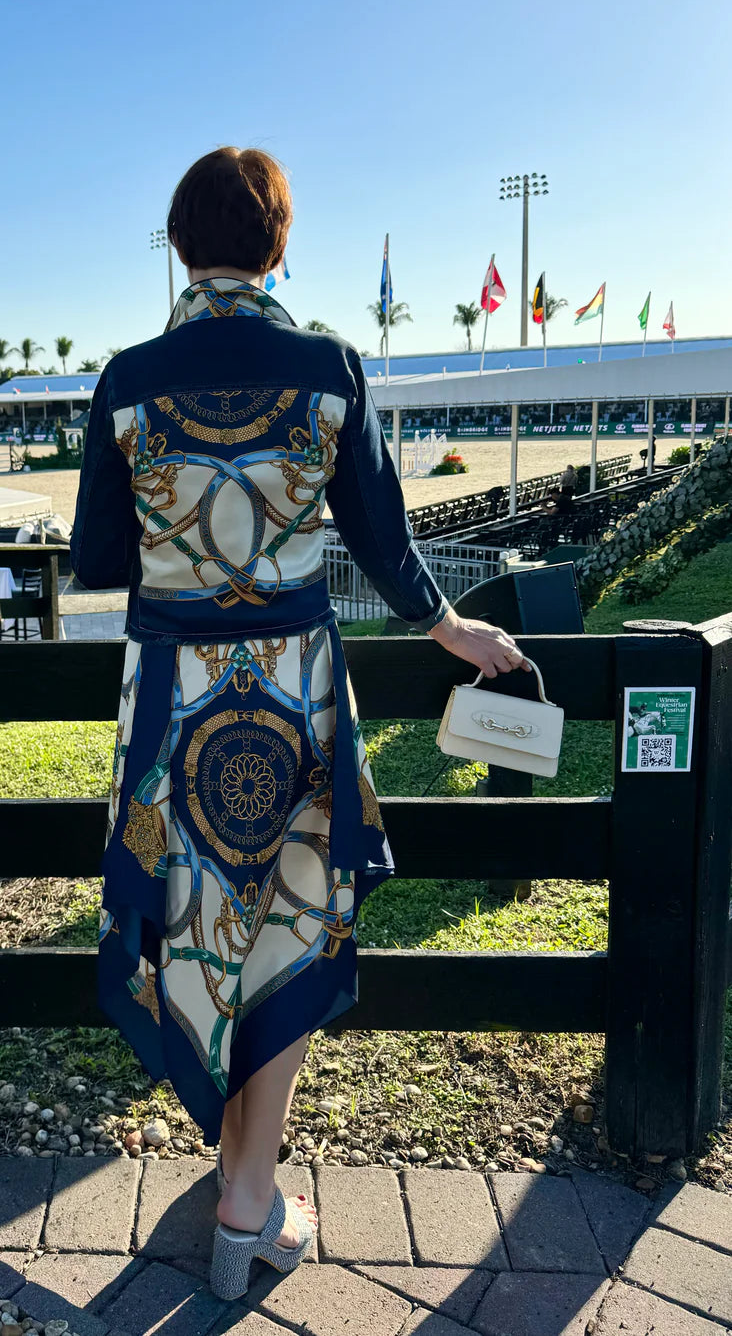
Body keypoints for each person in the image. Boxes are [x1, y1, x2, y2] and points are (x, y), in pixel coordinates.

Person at [69, 147, 530, 1300]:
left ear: (181, 244)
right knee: (287, 916)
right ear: (277, 243)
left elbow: (94, 561)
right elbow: (382, 539)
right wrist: (451, 632)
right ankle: (245, 1193)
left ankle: (237, 1179)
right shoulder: (328, 367)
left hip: (171, 701)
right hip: (294, 690)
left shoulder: (125, 378)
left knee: (192, 919)